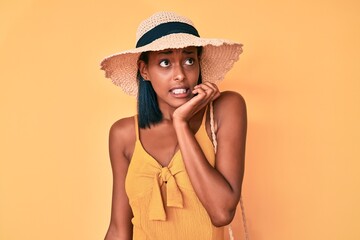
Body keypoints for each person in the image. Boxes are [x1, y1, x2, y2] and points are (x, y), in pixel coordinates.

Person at [100, 11, 247, 240]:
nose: (180, 75)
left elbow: (222, 212)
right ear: (144, 70)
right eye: (165, 62)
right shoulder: (123, 134)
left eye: (189, 60)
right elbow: (119, 230)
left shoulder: (225, 109)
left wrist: (181, 123)